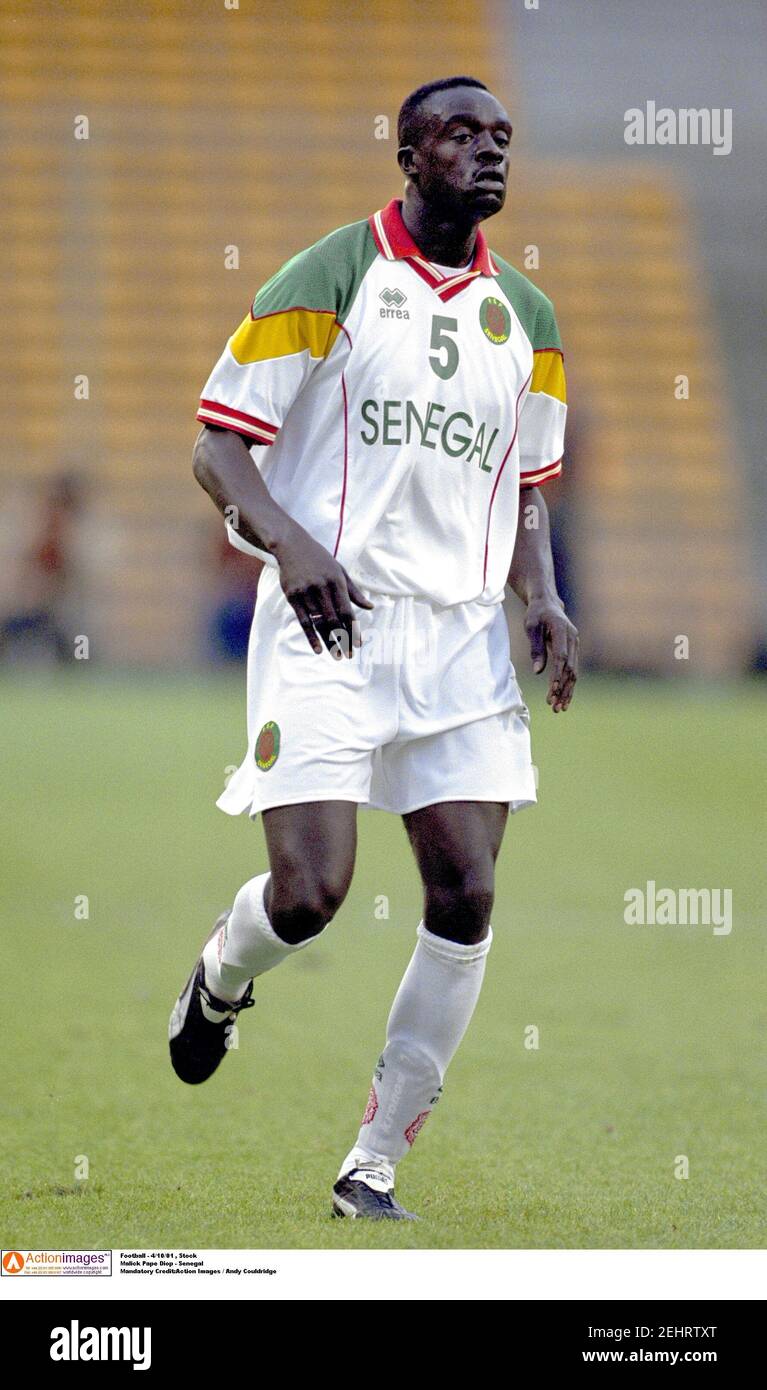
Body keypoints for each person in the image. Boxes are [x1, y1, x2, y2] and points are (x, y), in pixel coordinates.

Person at [169, 76, 578, 1221]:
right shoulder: (332, 275)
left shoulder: (528, 319)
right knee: (311, 894)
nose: (487, 153)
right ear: (406, 152)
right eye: (460, 134)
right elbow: (219, 449)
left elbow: (528, 485)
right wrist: (290, 545)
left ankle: (373, 1163)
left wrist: (538, 597)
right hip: (327, 623)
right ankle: (222, 973)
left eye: (502, 135)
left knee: (466, 896)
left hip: (457, 644)